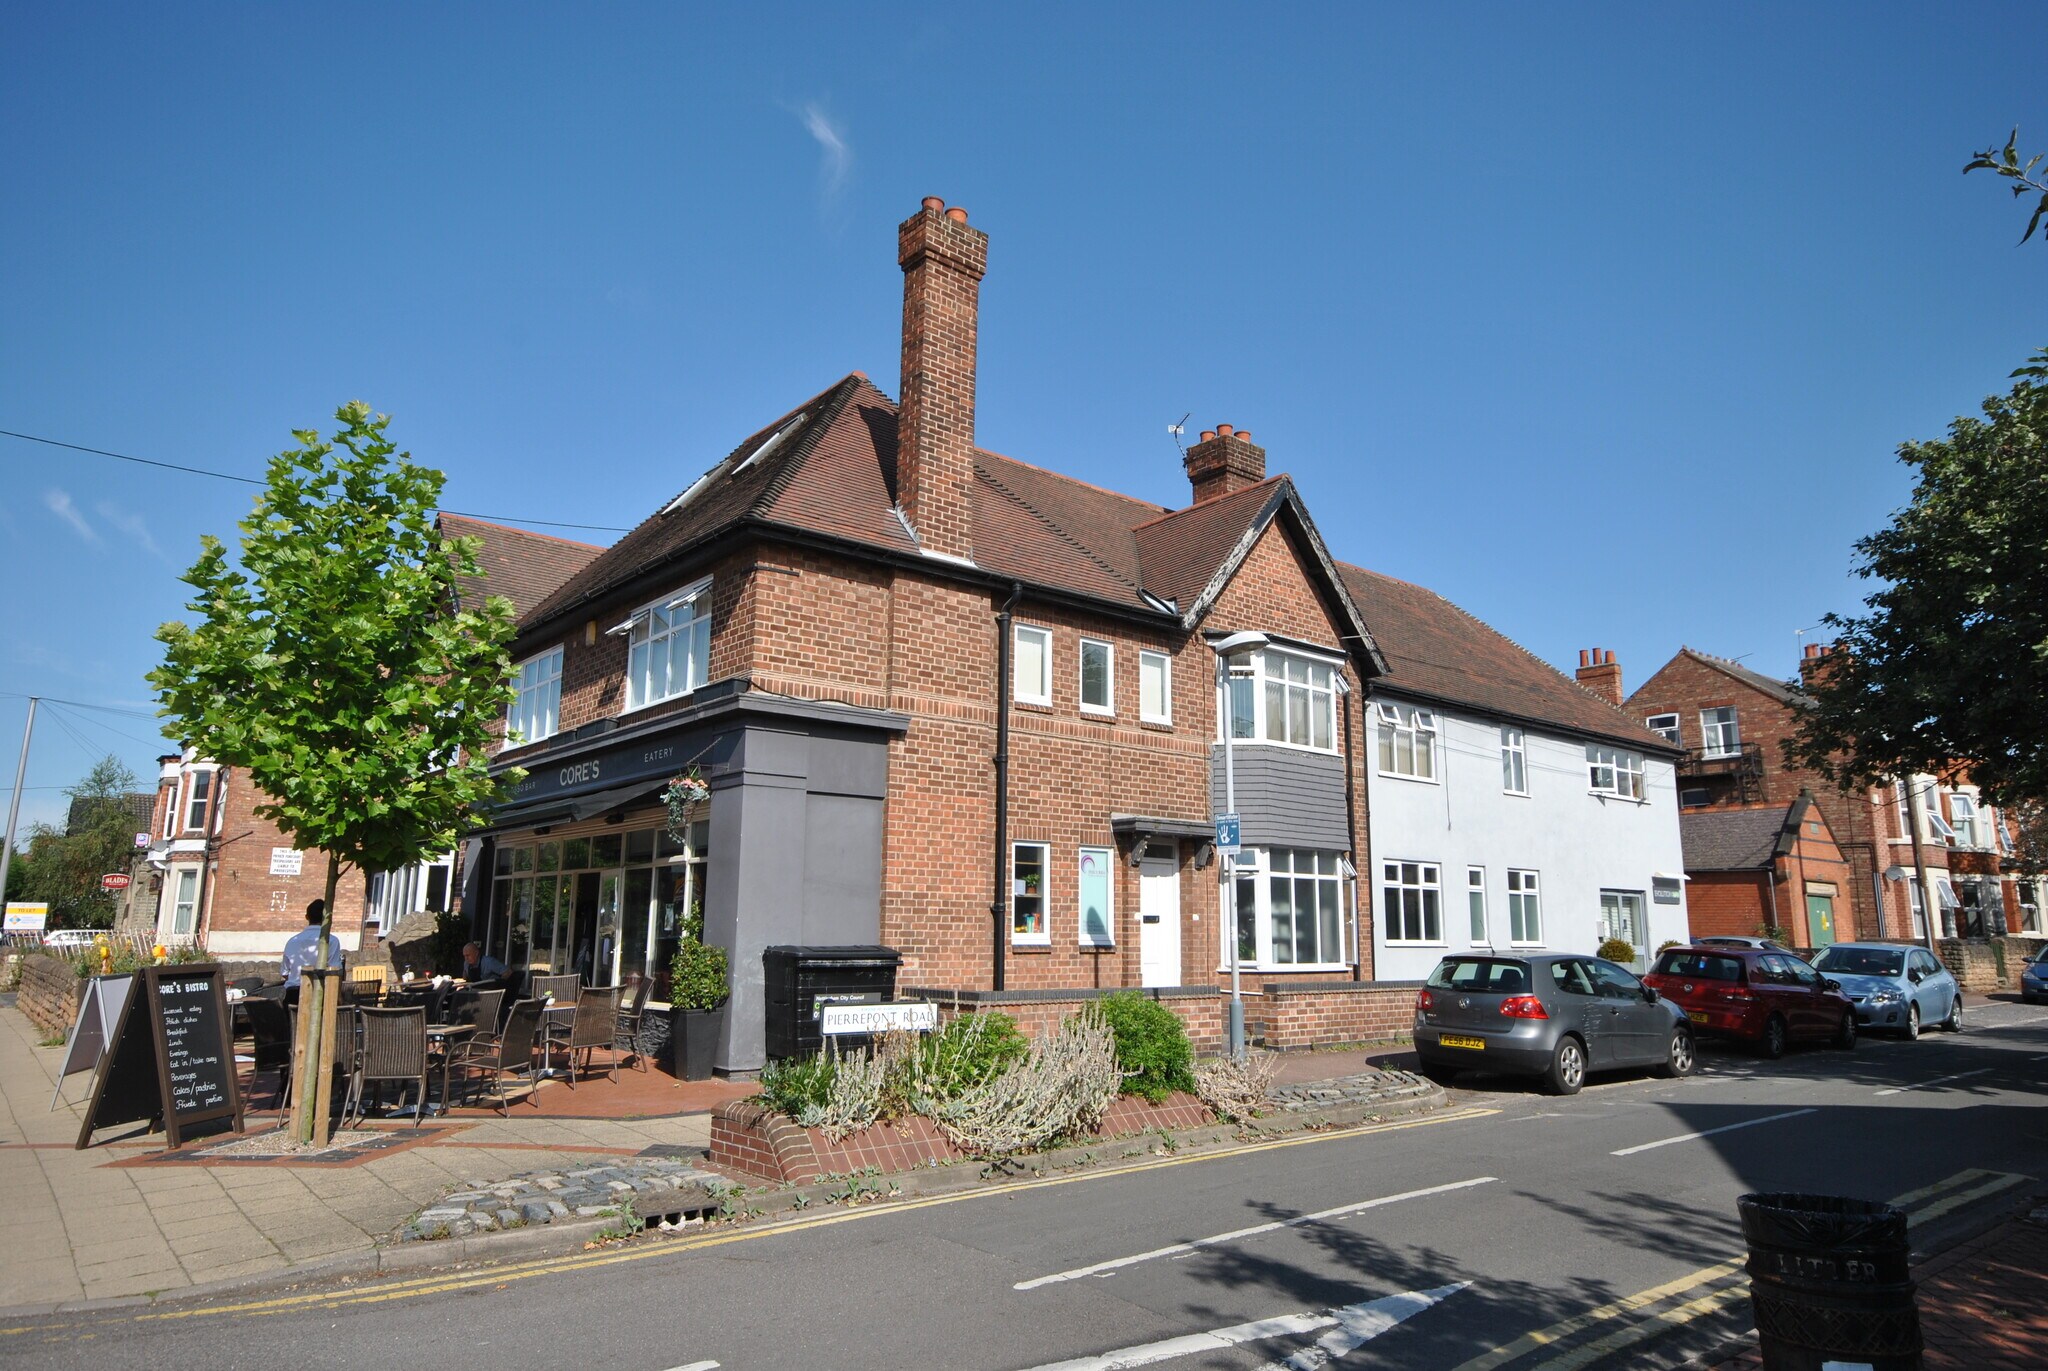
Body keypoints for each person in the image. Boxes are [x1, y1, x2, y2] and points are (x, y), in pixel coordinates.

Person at [282, 899, 343, 1005]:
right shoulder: (331, 940)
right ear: (327, 917)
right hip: (320, 993)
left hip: (293, 995)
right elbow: (334, 972)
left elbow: (285, 972)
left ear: (307, 917)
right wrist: (338, 997)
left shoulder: (292, 941)